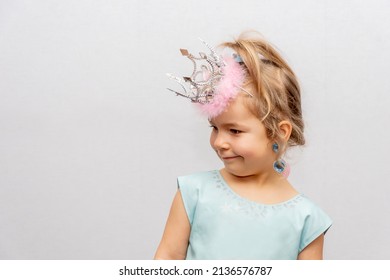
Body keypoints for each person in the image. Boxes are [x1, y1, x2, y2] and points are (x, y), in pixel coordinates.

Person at [154, 32, 332, 260]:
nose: (219, 142)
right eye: (214, 128)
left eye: (235, 131)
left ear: (279, 132)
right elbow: (165, 261)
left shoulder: (307, 219)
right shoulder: (194, 194)